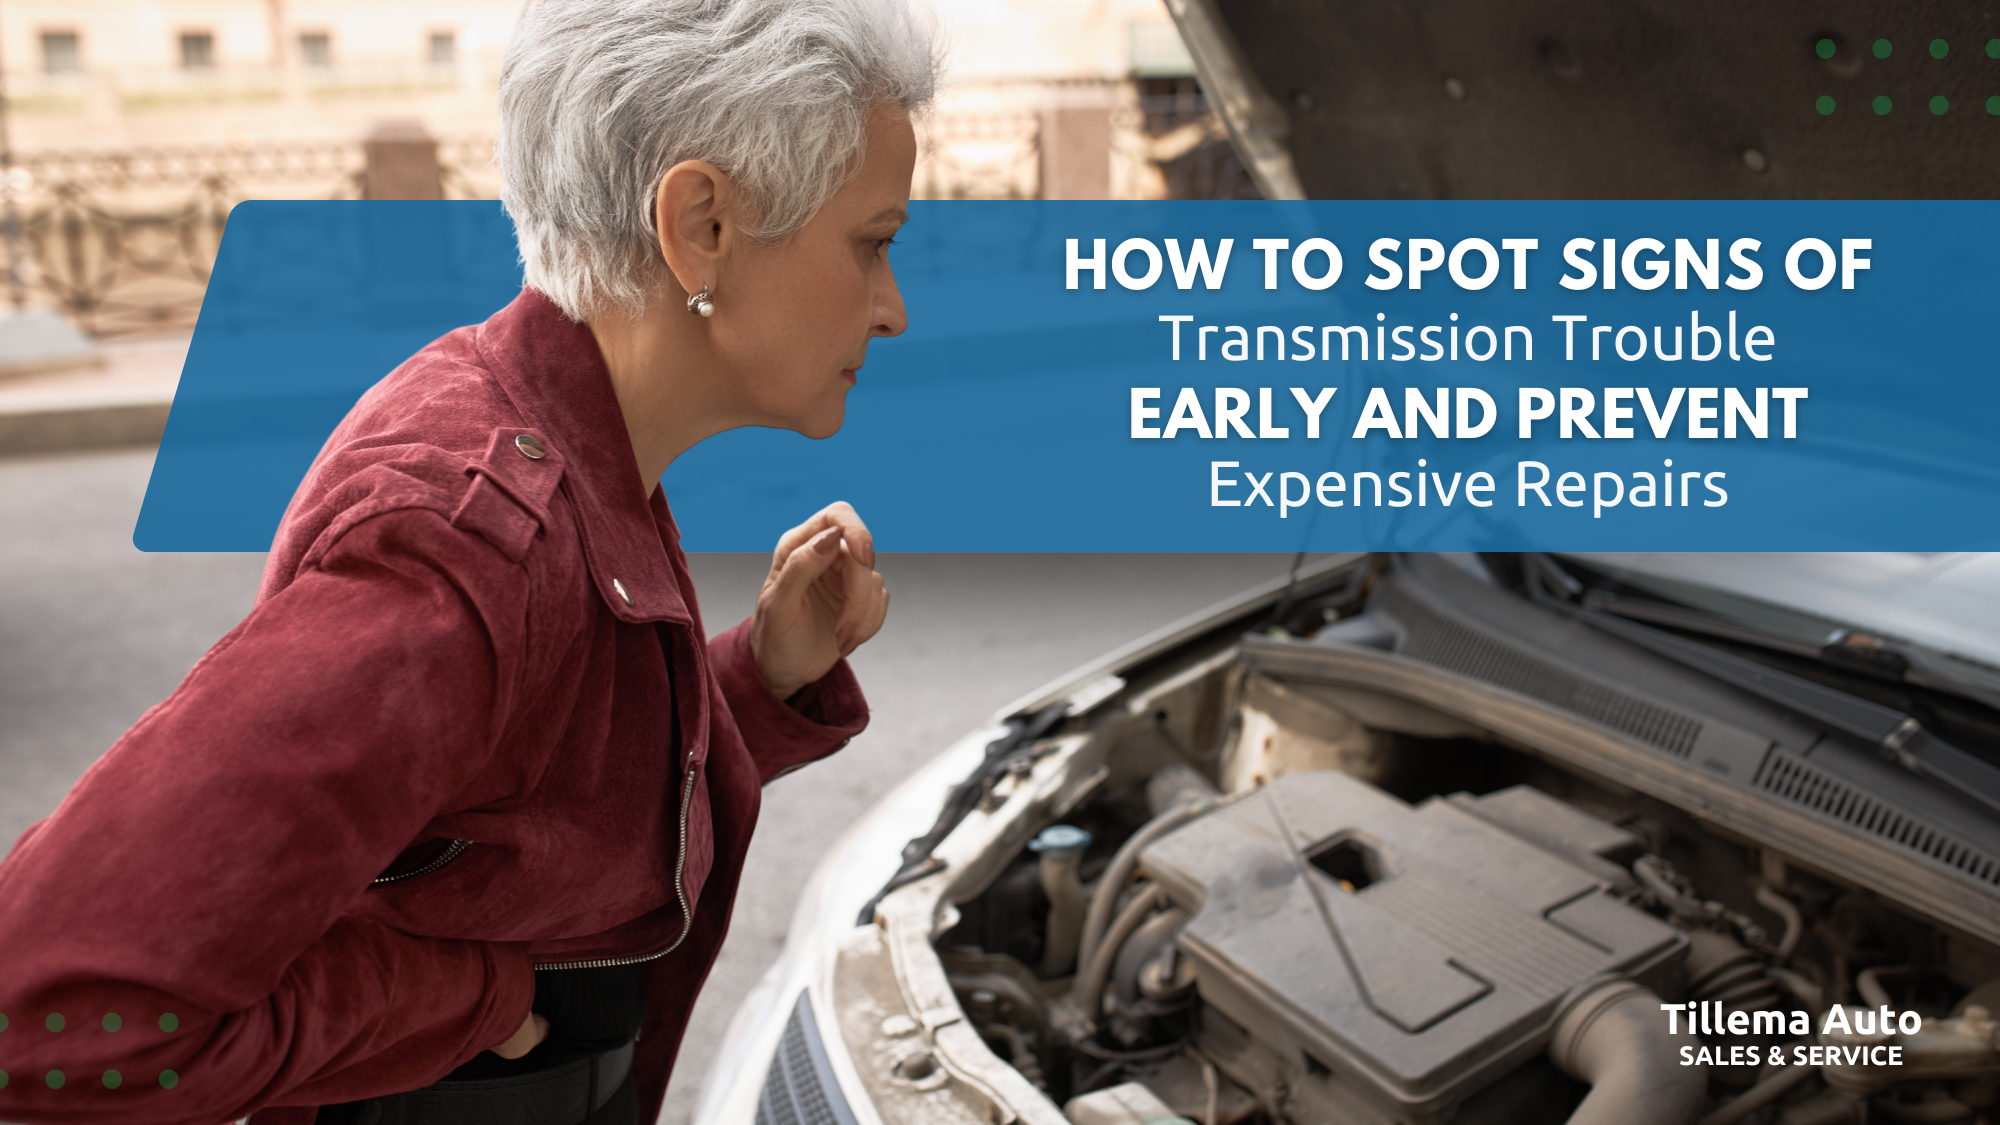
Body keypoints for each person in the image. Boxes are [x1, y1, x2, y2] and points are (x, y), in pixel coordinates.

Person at [0, 0, 938, 1122]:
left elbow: (522, 815)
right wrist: (467, 1000)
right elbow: (45, 1014)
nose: (891, 309)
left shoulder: (562, 436)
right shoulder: (464, 545)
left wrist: (757, 680)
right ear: (704, 226)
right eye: (871, 242)